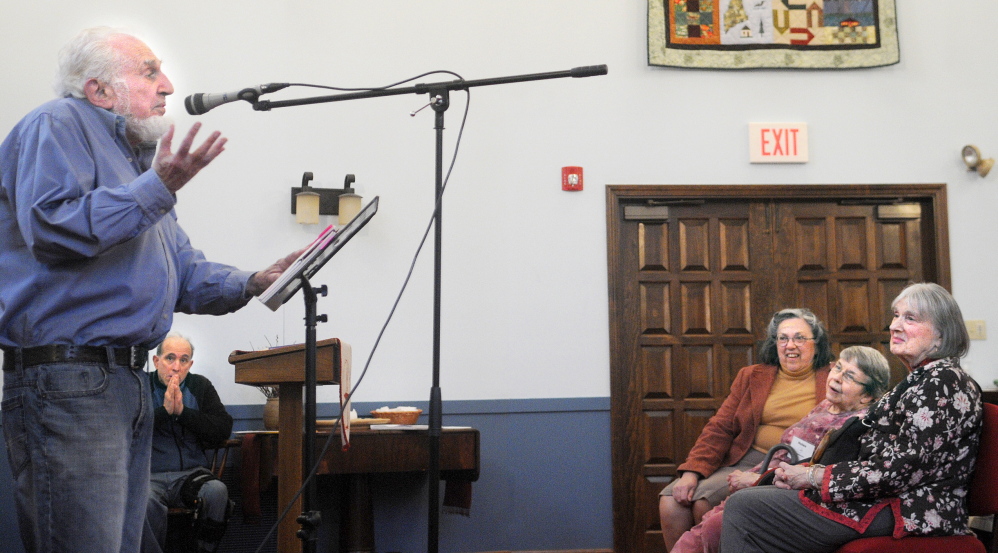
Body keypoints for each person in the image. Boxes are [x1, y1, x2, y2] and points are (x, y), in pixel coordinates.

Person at [0, 27, 300, 553]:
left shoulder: (139, 163)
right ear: (99, 90)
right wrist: (157, 187)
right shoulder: (57, 124)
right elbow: (52, 228)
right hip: (68, 380)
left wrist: (253, 281)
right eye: (149, 71)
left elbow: (180, 273)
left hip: (127, 380)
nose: (166, 86)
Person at [719, 282, 984, 553]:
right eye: (896, 315)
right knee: (758, 497)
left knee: (744, 508)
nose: (894, 326)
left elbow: (901, 470)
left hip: (913, 510)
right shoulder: (922, 379)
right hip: (887, 498)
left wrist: (815, 477)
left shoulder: (943, 382)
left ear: (941, 335)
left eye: (910, 318)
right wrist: (809, 473)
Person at [671, 345, 891, 553]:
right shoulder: (828, 405)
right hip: (767, 480)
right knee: (695, 536)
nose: (837, 377)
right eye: (839, 367)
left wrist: (757, 480)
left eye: (850, 376)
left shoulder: (855, 426)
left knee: (712, 528)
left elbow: (815, 475)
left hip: (789, 495)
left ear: (867, 396)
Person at [659, 308, 834, 550]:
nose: (790, 345)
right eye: (782, 338)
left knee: (702, 502)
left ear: (817, 343)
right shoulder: (752, 376)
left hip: (796, 463)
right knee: (671, 502)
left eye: (799, 338)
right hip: (747, 458)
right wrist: (692, 472)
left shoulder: (835, 377)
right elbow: (719, 427)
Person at [142, 333, 232, 553]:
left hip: (190, 475)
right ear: (156, 361)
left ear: (190, 364)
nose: (176, 367)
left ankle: (203, 549)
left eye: (183, 360)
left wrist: (182, 413)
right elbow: (128, 428)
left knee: (216, 491)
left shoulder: (200, 386)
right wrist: (164, 412)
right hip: (148, 476)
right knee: (142, 503)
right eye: (169, 358)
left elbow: (222, 428)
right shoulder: (140, 385)